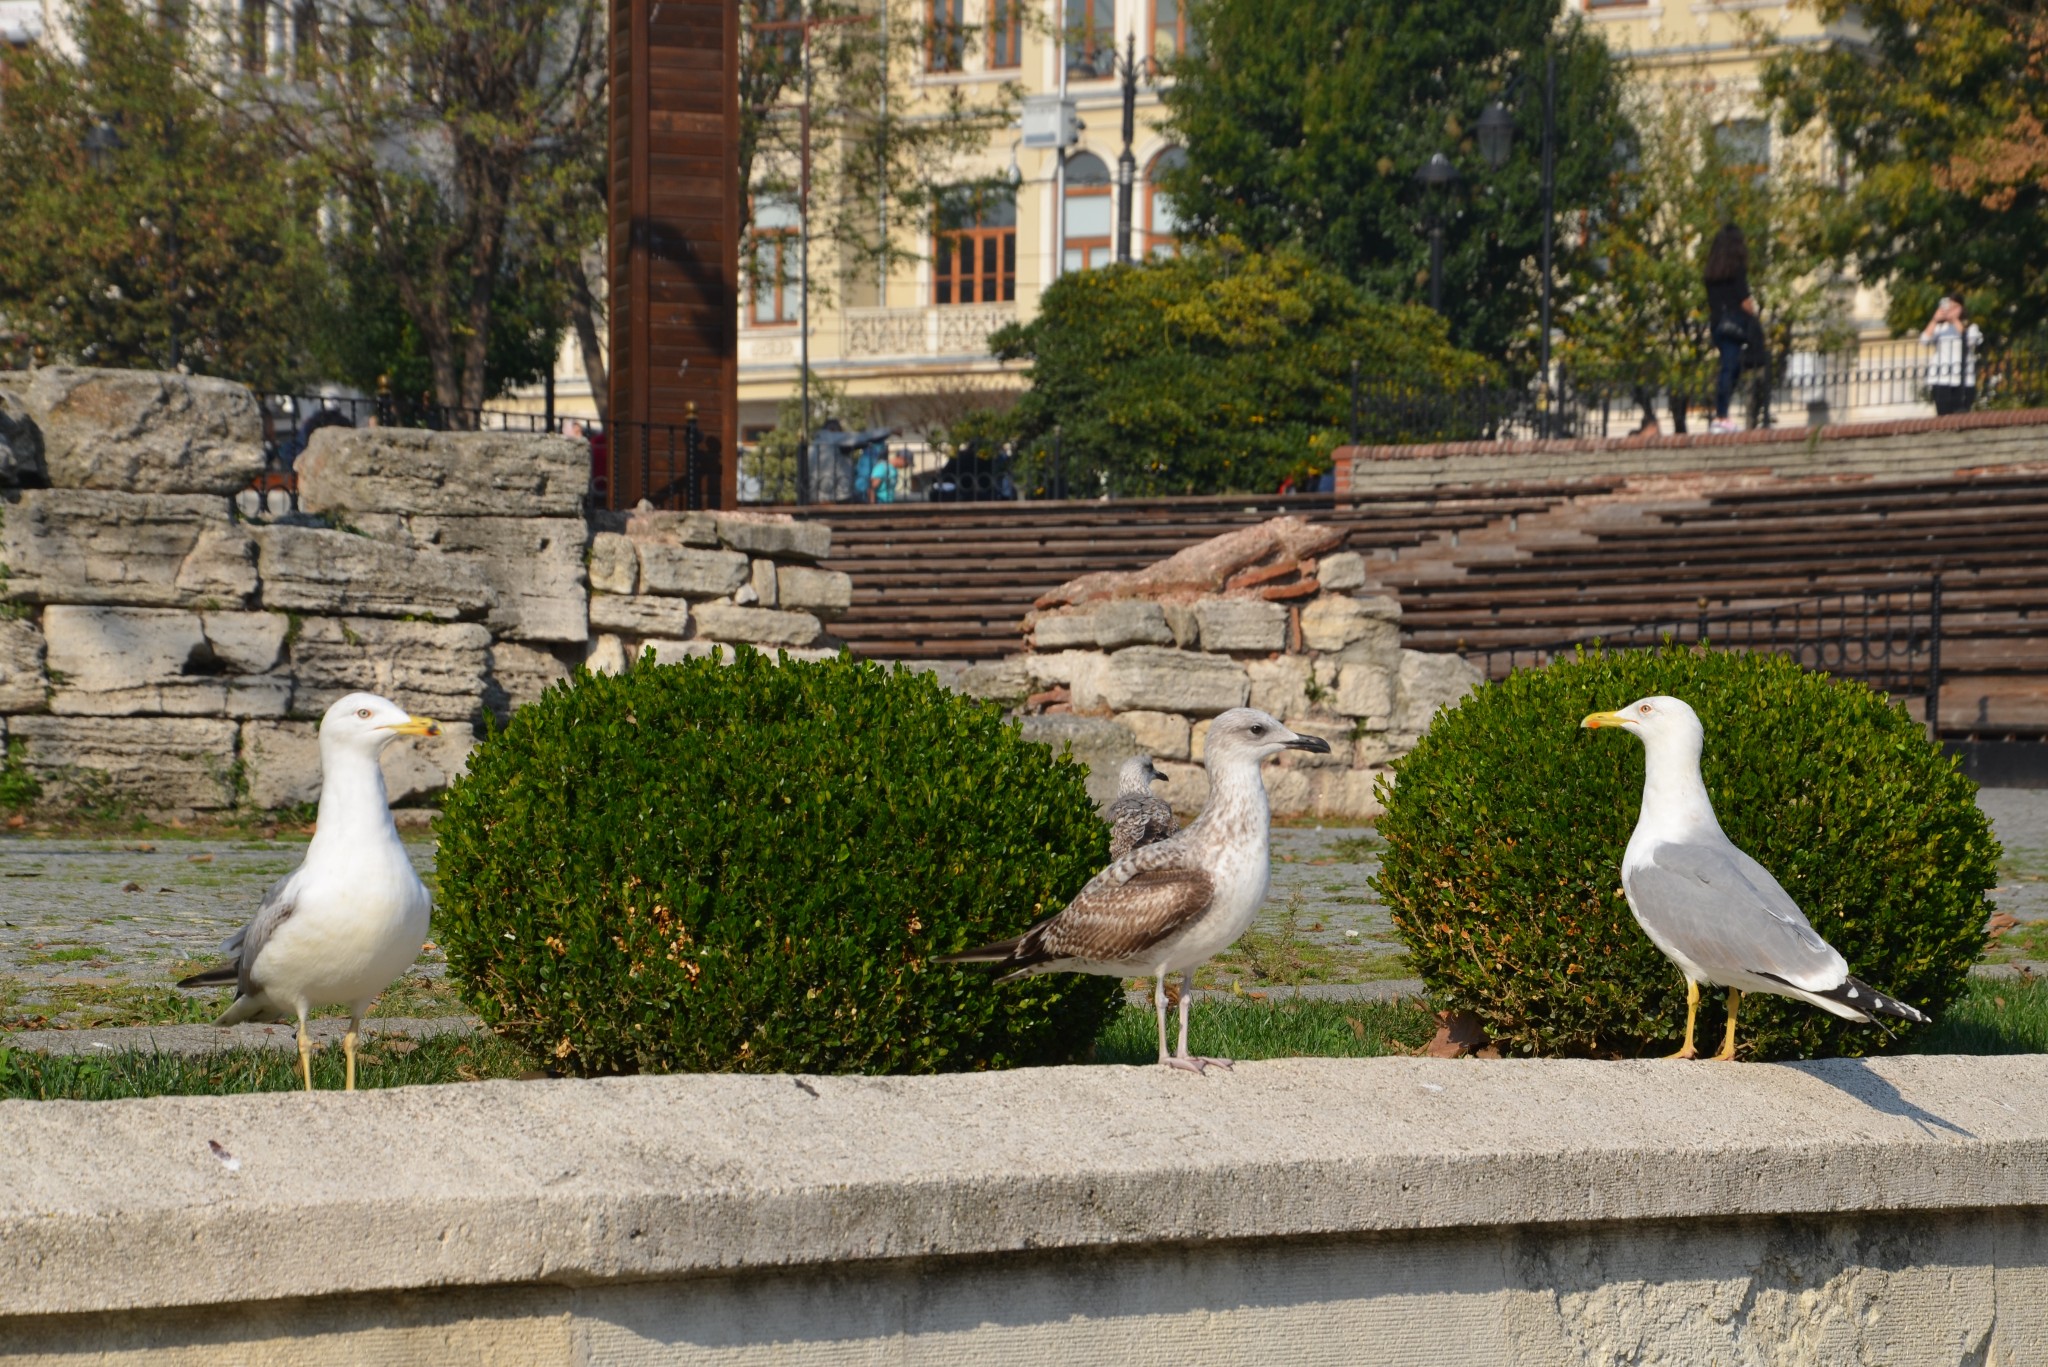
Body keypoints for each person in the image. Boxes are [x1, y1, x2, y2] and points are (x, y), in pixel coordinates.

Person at [1702, 224, 1759, 434]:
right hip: (1733, 325)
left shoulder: (1711, 272)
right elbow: (1744, 299)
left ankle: (1721, 415)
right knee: (1730, 368)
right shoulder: (1736, 269)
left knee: (1730, 367)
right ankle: (1721, 416)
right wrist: (1753, 316)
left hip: (1717, 324)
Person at [1921, 295, 1983, 416]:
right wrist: (1934, 320)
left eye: (1955, 307)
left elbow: (1969, 340)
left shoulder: (1970, 327)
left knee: (1961, 415)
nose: (1951, 310)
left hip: (1963, 379)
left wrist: (1954, 320)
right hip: (1941, 378)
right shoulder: (1940, 328)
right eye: (1949, 307)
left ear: (1962, 308)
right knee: (1943, 416)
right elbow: (1924, 340)